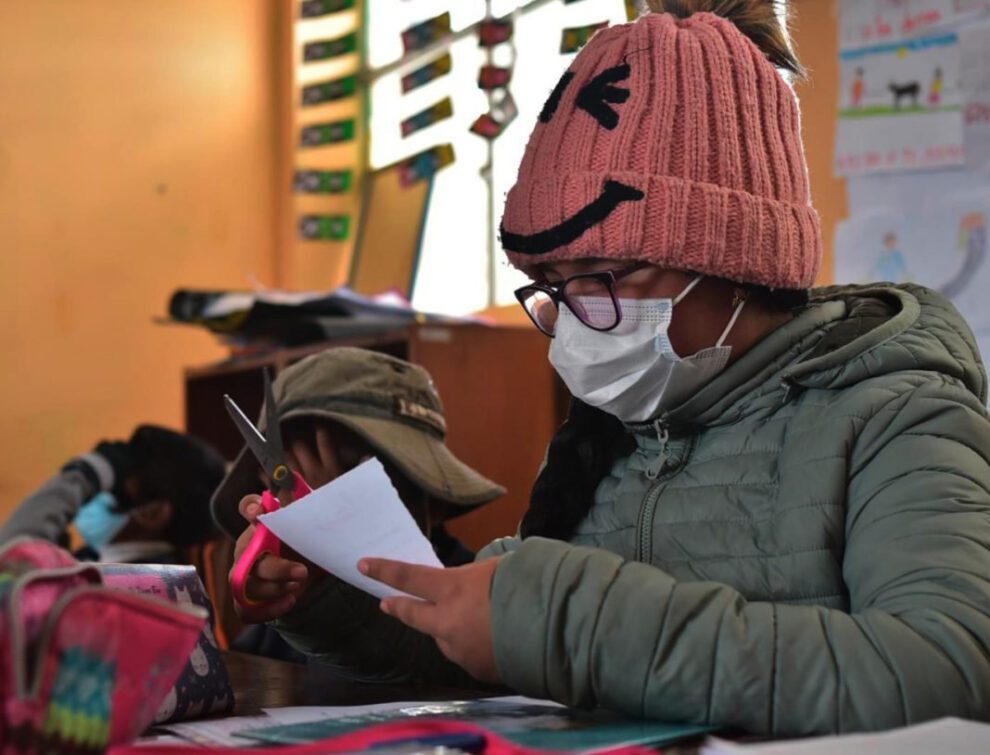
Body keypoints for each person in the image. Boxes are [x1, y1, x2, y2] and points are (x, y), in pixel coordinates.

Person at [232, 0, 990, 737]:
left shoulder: (898, 412)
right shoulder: (614, 441)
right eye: (552, 286)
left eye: (601, 276)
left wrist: (563, 614)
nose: (572, 322)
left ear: (731, 259)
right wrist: (329, 592)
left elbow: (947, 671)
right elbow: (500, 652)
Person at [211, 347, 505, 667]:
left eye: (359, 479)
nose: (323, 512)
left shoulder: (481, 600)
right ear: (268, 489)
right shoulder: (275, 622)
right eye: (298, 484)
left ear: (433, 502)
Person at [0, 425, 226, 563]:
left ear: (154, 513)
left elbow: (9, 557)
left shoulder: (115, 588)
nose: (95, 494)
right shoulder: (167, 576)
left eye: (115, 484)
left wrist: (83, 476)